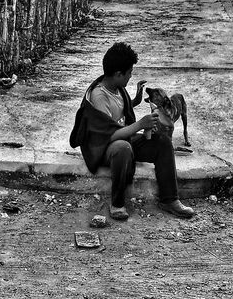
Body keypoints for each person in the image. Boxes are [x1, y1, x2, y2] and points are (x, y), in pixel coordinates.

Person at [69, 42, 195, 220]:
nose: (130, 77)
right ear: (118, 74)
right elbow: (108, 134)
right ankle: (117, 203)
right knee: (122, 148)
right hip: (103, 148)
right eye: (129, 73)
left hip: (123, 138)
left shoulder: (116, 87)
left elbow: (118, 112)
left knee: (163, 142)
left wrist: (134, 100)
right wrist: (140, 125)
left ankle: (170, 199)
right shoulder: (99, 96)